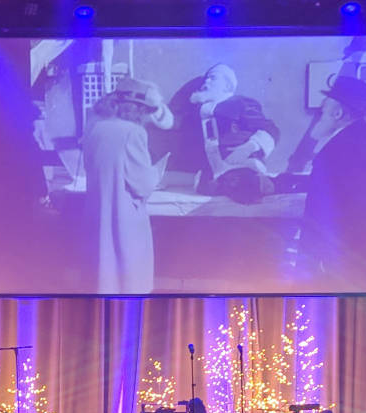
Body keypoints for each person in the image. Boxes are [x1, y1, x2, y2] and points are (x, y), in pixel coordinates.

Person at [283, 72, 366, 269]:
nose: (319, 118)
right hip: (361, 247)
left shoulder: (342, 146)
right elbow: (333, 184)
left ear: (337, 113)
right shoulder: (358, 137)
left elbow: (323, 205)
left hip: (349, 251)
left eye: (323, 111)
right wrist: (286, 182)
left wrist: (309, 257)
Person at [82, 79, 170, 295]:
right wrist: (157, 172)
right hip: (124, 218)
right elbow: (143, 185)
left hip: (97, 213)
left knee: (102, 277)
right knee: (129, 283)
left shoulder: (94, 127)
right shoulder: (134, 132)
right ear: (137, 108)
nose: (146, 118)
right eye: (146, 112)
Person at [165, 64, 281, 202]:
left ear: (227, 86)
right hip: (214, 171)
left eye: (212, 78)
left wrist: (249, 147)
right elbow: (176, 124)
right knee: (207, 186)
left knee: (241, 183)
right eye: (205, 79)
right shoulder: (196, 114)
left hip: (242, 163)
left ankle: (265, 184)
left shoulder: (240, 103)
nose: (206, 82)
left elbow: (270, 129)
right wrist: (158, 114)